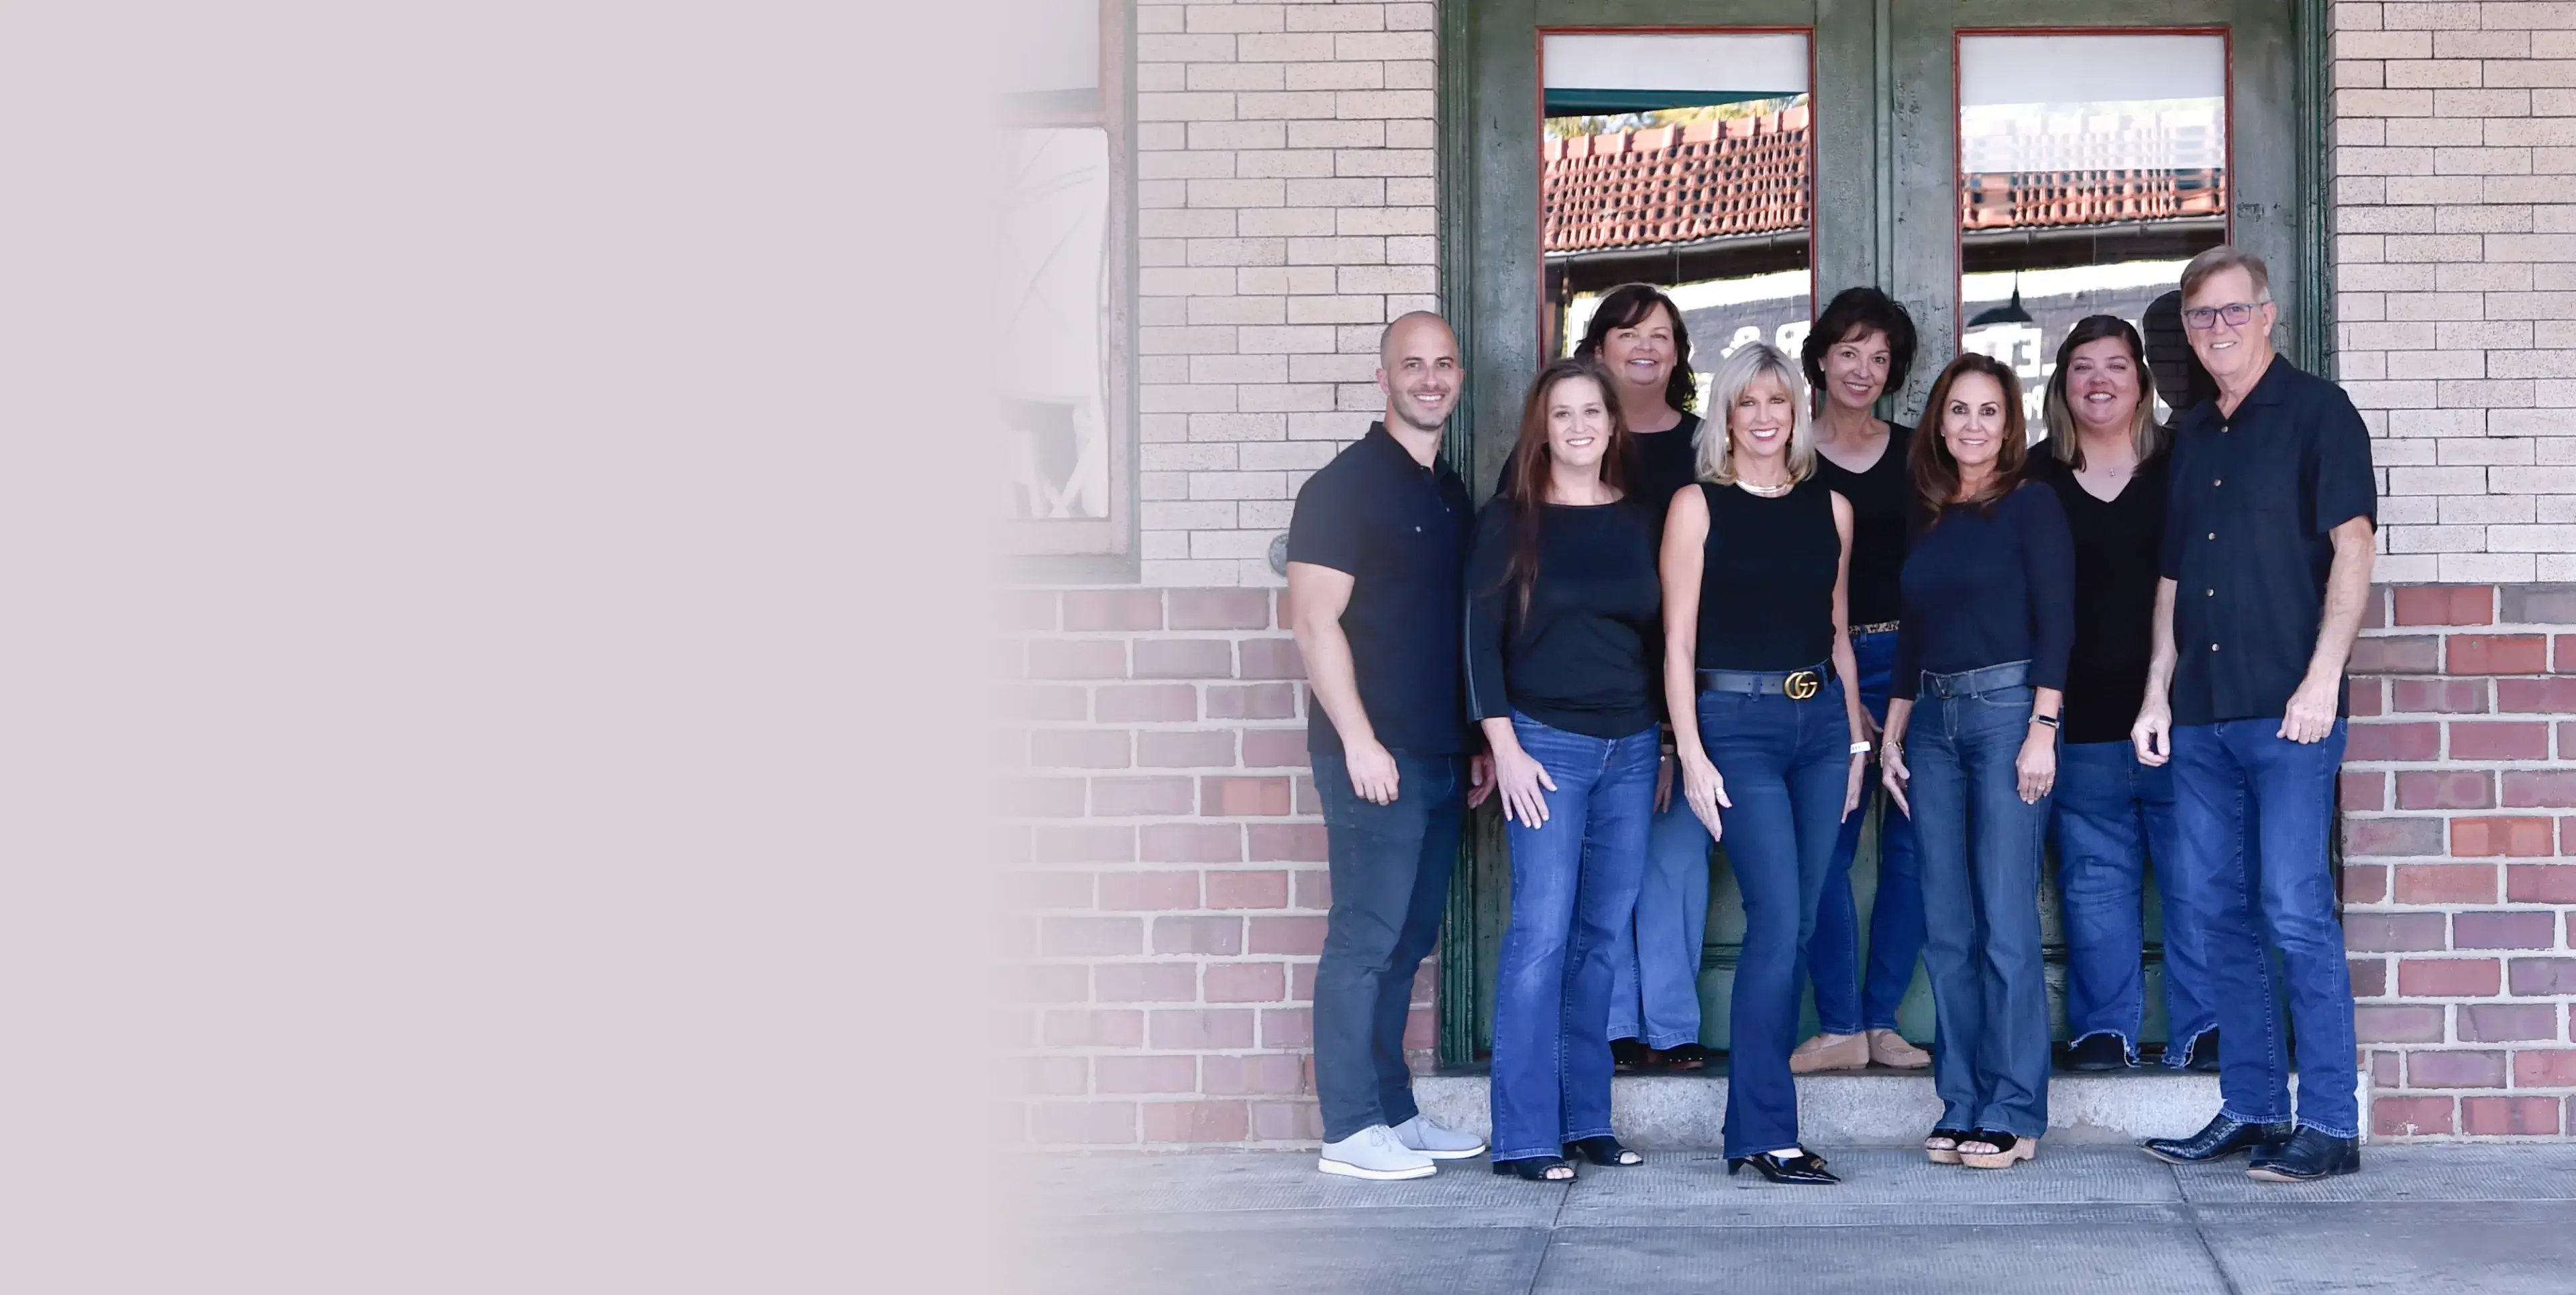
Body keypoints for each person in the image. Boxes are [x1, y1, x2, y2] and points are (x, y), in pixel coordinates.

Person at [2136, 247, 2375, 1183]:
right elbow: (2169, 582)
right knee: (2213, 912)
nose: (2220, 329)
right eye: (2203, 317)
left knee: (2295, 909)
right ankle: (2251, 1104)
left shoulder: (2320, 413)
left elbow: (2352, 554)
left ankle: (2327, 1123)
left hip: (2289, 714)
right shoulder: (2192, 435)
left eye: (2235, 312)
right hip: (2198, 716)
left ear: (2269, 315)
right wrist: (2158, 688)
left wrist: (2323, 680)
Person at [1285, 311, 1496, 1181]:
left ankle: (1394, 1113)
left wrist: (1473, 738)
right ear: (1384, 378)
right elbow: (1311, 620)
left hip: (1440, 754)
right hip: (1373, 758)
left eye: (1444, 364)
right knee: (1364, 939)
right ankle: (1349, 1128)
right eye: (1413, 364)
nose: (1431, 378)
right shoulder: (1342, 487)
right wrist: (1362, 742)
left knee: (1408, 941)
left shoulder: (1447, 491)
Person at [1660, 341, 1868, 1186]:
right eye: (1747, 402)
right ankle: (1768, 1130)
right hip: (1734, 724)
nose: (1764, 416)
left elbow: (1841, 636)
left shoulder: (1834, 509)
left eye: (1778, 401)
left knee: (1806, 919)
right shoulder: (1695, 506)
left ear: (1797, 412)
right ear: (1728, 414)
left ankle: (1752, 1130)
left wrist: (1855, 741)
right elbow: (1675, 643)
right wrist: (1696, 754)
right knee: (1778, 921)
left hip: (1819, 721)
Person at [1466, 358, 1662, 1182]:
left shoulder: (1643, 520)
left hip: (1632, 747)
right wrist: (1503, 745)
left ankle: (1587, 1120)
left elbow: (1661, 642)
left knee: (1599, 941)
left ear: (1614, 424)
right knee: (1541, 937)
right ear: (1541, 429)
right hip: (1544, 746)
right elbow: (1476, 639)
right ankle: (1523, 1137)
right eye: (1563, 413)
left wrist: (1668, 745)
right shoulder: (1509, 519)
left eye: (1593, 411)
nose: (1579, 426)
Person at [1880, 352, 2074, 1172]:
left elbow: (2058, 621)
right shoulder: (1927, 514)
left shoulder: (2032, 505)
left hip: (2006, 718)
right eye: (1957, 410)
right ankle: (1960, 1099)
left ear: (2010, 422)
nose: (1971, 425)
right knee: (1948, 927)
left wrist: (2044, 727)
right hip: (1930, 724)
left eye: (1988, 411)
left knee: (2003, 922)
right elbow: (1913, 634)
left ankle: (2016, 1108)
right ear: (1939, 422)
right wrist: (1892, 733)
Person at [2029, 317, 2220, 1074]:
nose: (2099, 380)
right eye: (2082, 367)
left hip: (2180, 711)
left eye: (2116, 365)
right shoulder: (2035, 476)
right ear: (2061, 384)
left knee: (2193, 876)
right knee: (2094, 882)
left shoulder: (2182, 464)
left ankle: (2204, 1026)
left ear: (2141, 380)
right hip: (2077, 716)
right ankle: (2103, 1029)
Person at [1573, 284, 1719, 1074]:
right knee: (1607, 865)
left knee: (1675, 860)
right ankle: (1614, 1025)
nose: (1645, 346)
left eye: (1662, 334)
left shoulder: (1707, 448)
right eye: (1627, 332)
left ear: (1678, 352)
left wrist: (1676, 727)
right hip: (1590, 691)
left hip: (1689, 688)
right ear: (1598, 348)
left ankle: (1670, 1025)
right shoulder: (1574, 444)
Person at [1792, 287, 1933, 1075]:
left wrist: (1905, 695)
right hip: (1824, 668)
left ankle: (1883, 1020)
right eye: (1849, 351)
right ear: (1821, 356)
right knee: (1827, 848)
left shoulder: (1921, 455)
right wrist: (1850, 699)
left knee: (1913, 851)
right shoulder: (1788, 453)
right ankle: (1840, 1022)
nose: (1863, 369)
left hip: (1913, 665)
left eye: (1879, 357)